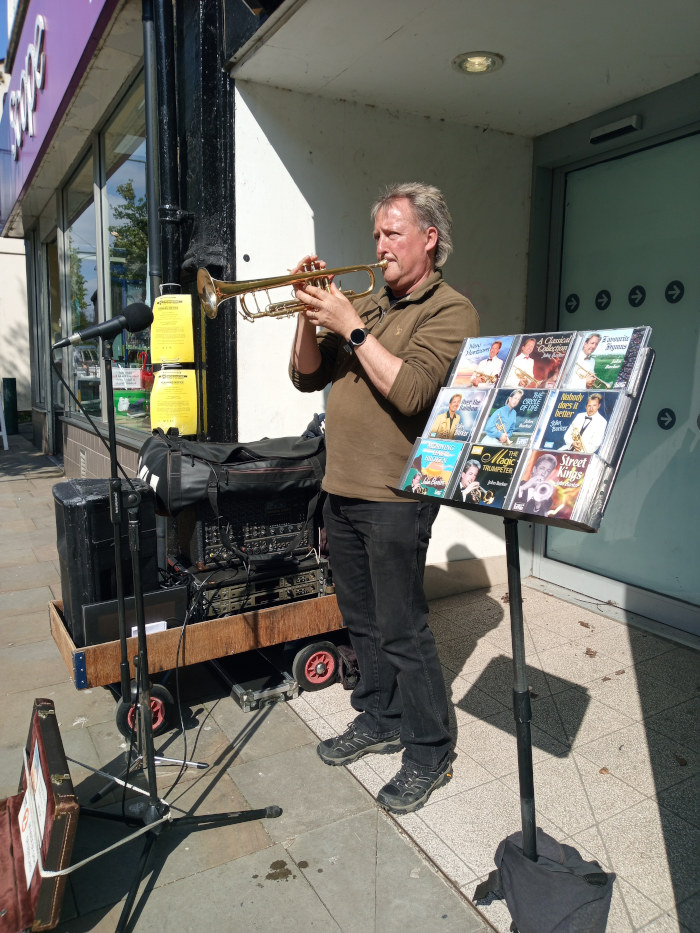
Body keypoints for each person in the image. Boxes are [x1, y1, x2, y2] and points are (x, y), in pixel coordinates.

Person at [288, 182, 479, 814]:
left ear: (428, 238)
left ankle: (429, 750)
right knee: (361, 621)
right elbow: (305, 376)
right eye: (376, 234)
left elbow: (413, 393)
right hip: (340, 487)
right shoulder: (369, 301)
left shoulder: (450, 310)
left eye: (392, 233)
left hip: (398, 495)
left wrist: (350, 325)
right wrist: (305, 313)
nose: (380, 246)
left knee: (402, 628)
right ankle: (379, 715)